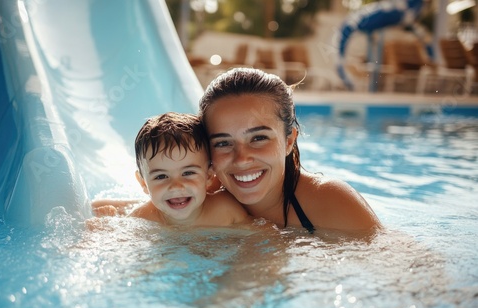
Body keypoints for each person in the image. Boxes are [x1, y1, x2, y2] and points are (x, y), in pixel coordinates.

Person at [198, 67, 381, 232]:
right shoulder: (194, 201)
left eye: (258, 138)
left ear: (289, 141)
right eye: (223, 143)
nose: (242, 159)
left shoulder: (330, 202)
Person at [92, 112, 251, 227]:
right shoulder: (142, 219)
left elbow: (258, 236)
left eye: (188, 173)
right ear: (143, 183)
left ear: (209, 176)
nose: (176, 186)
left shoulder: (225, 211)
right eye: (161, 176)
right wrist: (107, 226)